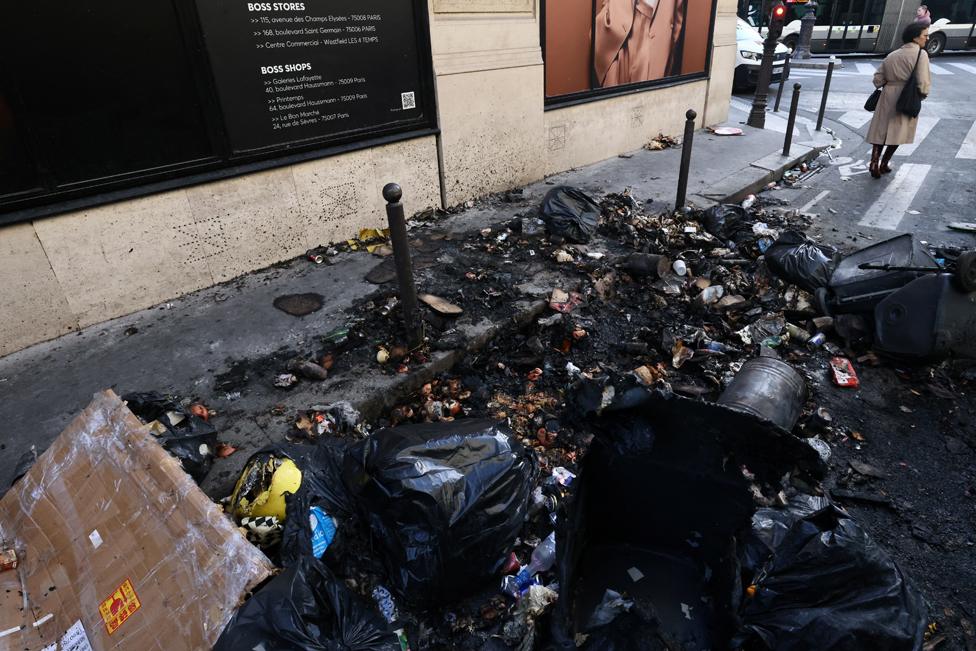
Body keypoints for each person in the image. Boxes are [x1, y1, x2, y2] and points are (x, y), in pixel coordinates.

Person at [866, 23, 932, 178]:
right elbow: (923, 81)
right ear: (916, 37)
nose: (927, 38)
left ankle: (874, 162)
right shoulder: (921, 54)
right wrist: (922, 94)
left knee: (880, 131)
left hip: (887, 95)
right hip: (907, 96)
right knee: (899, 133)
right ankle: (884, 163)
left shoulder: (893, 54)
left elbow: (877, 79)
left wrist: (889, 83)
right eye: (925, 35)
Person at [594, 0, 687, 88]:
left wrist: (667, 44)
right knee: (613, 94)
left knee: (644, 96)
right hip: (620, 32)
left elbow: (677, 19)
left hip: (655, 33)